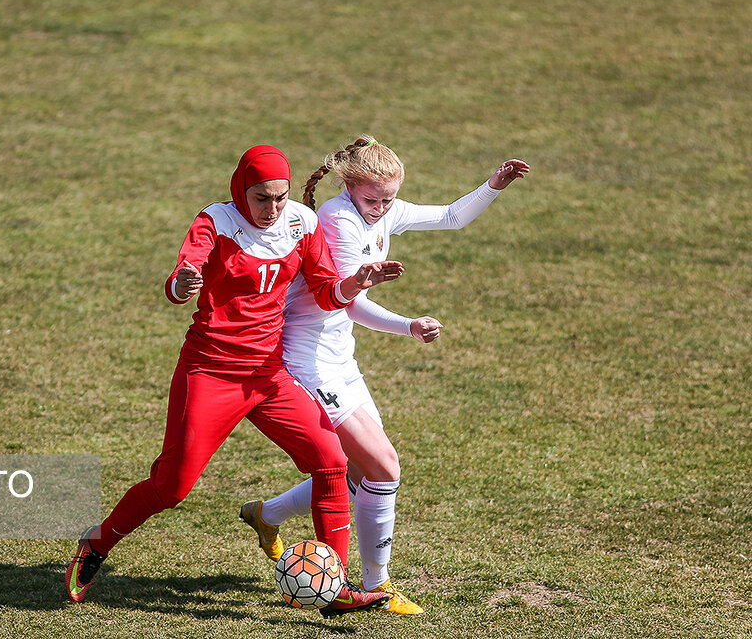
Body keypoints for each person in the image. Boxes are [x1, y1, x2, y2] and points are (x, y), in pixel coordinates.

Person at [67, 144, 409, 617]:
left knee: (332, 463)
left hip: (269, 376)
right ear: (240, 191)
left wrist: (358, 281)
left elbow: (328, 293)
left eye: (281, 198)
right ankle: (97, 542)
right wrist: (181, 284)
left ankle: (338, 586)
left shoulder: (302, 225)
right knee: (173, 487)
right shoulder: (216, 222)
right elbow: (181, 275)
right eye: (261, 198)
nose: (272, 209)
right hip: (210, 372)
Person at [239, 135, 529, 614]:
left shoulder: (384, 208)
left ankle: (265, 515)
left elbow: (451, 217)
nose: (380, 208)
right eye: (372, 199)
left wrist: (493, 185)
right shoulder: (337, 220)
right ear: (349, 186)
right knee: (384, 468)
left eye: (389, 199)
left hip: (340, 359)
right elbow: (350, 302)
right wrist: (408, 326)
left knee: (360, 473)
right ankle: (379, 583)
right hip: (307, 362)